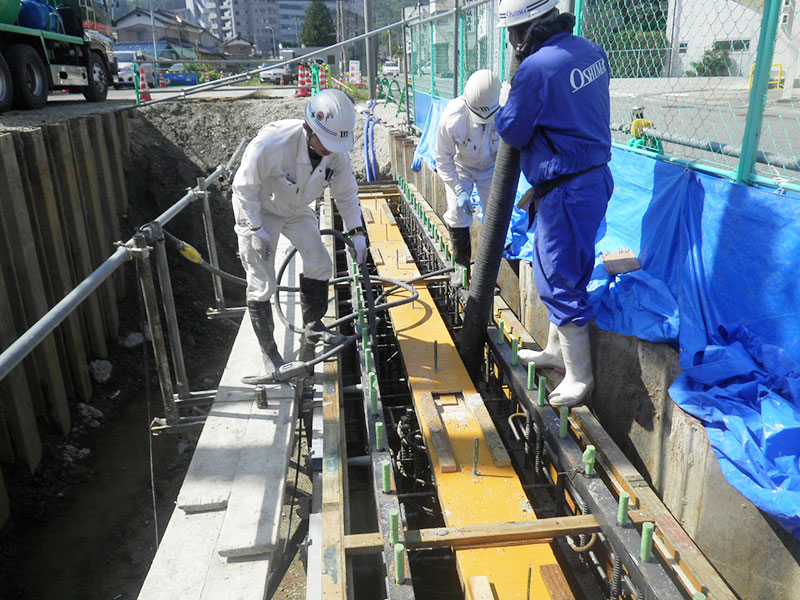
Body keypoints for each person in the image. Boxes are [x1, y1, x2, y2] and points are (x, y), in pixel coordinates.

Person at [495, 0, 613, 407]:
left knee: (555, 277)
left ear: (528, 29)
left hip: (565, 187)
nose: (513, 44)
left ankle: (580, 376)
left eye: (513, 35)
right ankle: (555, 351)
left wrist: (508, 97)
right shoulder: (591, 51)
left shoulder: (535, 69)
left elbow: (512, 129)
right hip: (594, 179)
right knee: (572, 269)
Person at [232, 88, 368, 384]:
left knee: (319, 262)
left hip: (295, 208)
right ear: (309, 128)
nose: (330, 150)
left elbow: (346, 194)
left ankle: (313, 324)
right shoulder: (272, 144)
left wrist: (357, 232)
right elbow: (244, 188)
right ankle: (271, 357)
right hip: (259, 209)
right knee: (262, 283)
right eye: (325, 142)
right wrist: (256, 230)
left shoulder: (336, 152)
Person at [435, 69, 501, 287]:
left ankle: (489, 271)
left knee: (496, 215)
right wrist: (459, 190)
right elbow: (443, 159)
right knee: (456, 213)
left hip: (492, 168)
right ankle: (462, 264)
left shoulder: (505, 111)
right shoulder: (453, 117)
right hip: (461, 167)